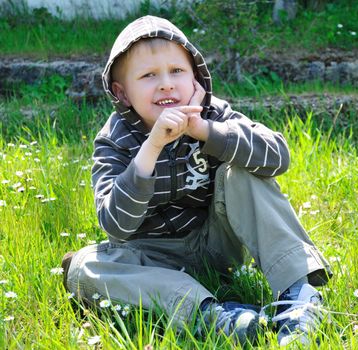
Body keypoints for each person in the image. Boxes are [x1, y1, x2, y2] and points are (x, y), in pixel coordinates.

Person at [62, 15, 332, 346]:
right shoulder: (115, 141)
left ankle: (298, 294)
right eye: (148, 76)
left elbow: (278, 157)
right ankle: (214, 317)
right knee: (83, 267)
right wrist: (151, 148)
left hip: (216, 244)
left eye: (177, 71)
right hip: (152, 258)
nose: (166, 84)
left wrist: (204, 131)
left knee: (245, 169)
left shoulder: (214, 115)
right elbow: (115, 225)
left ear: (196, 79)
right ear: (123, 93)